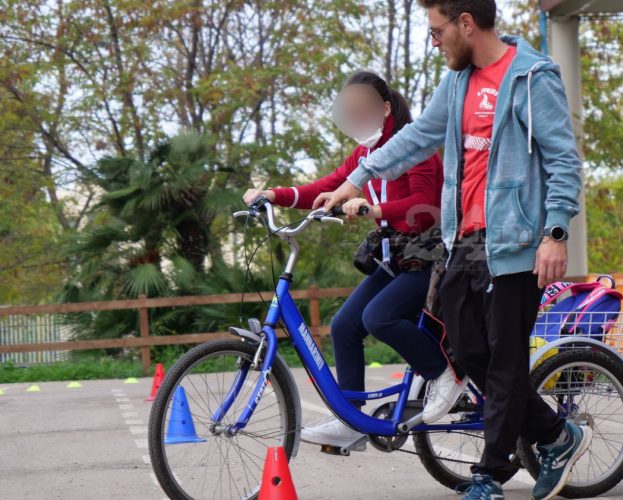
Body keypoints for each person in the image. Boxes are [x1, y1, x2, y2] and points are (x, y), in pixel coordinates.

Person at [315, 2, 588, 499]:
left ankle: (489, 476)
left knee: (505, 360)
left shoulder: (531, 78)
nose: (434, 41)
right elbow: (417, 138)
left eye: (438, 31)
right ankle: (554, 435)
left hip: (518, 243)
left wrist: (555, 233)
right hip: (462, 241)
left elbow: (564, 161)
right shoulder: (457, 83)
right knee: (464, 353)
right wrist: (355, 179)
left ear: (467, 22)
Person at [242, 71, 467, 451]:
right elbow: (323, 187)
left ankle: (445, 375)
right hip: (397, 258)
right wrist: (272, 194)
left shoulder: (416, 147)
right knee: (345, 325)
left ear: (385, 107)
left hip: (431, 258)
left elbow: (426, 208)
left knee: (378, 317)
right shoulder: (364, 154)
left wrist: (373, 209)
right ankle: (351, 419)